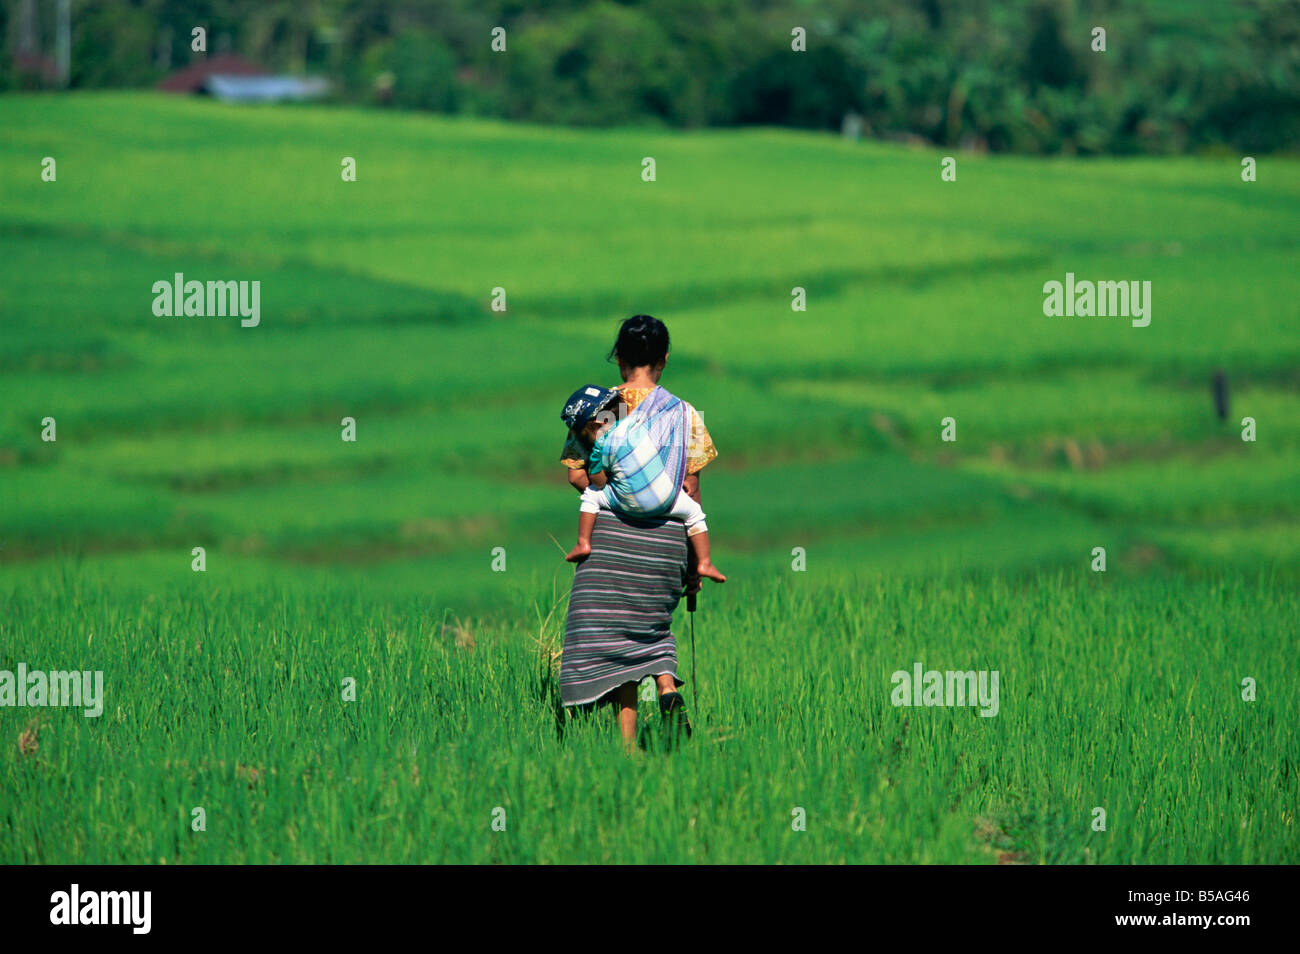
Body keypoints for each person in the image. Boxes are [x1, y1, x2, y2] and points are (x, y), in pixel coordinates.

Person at [558, 315, 720, 745]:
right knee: (654, 630)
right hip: (667, 541)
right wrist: (692, 568)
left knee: (617, 644)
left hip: (611, 540)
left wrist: (605, 483)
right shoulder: (685, 413)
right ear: (664, 360)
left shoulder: (606, 409)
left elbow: (577, 475)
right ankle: (667, 690)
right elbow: (691, 489)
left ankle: (627, 750)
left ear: (620, 359)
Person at [559, 382, 725, 584]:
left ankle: (582, 543)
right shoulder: (645, 424)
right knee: (694, 514)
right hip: (666, 500)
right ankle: (705, 562)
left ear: (593, 426)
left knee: (591, 497)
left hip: (624, 507)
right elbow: (683, 475)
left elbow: (587, 480)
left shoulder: (600, 447)